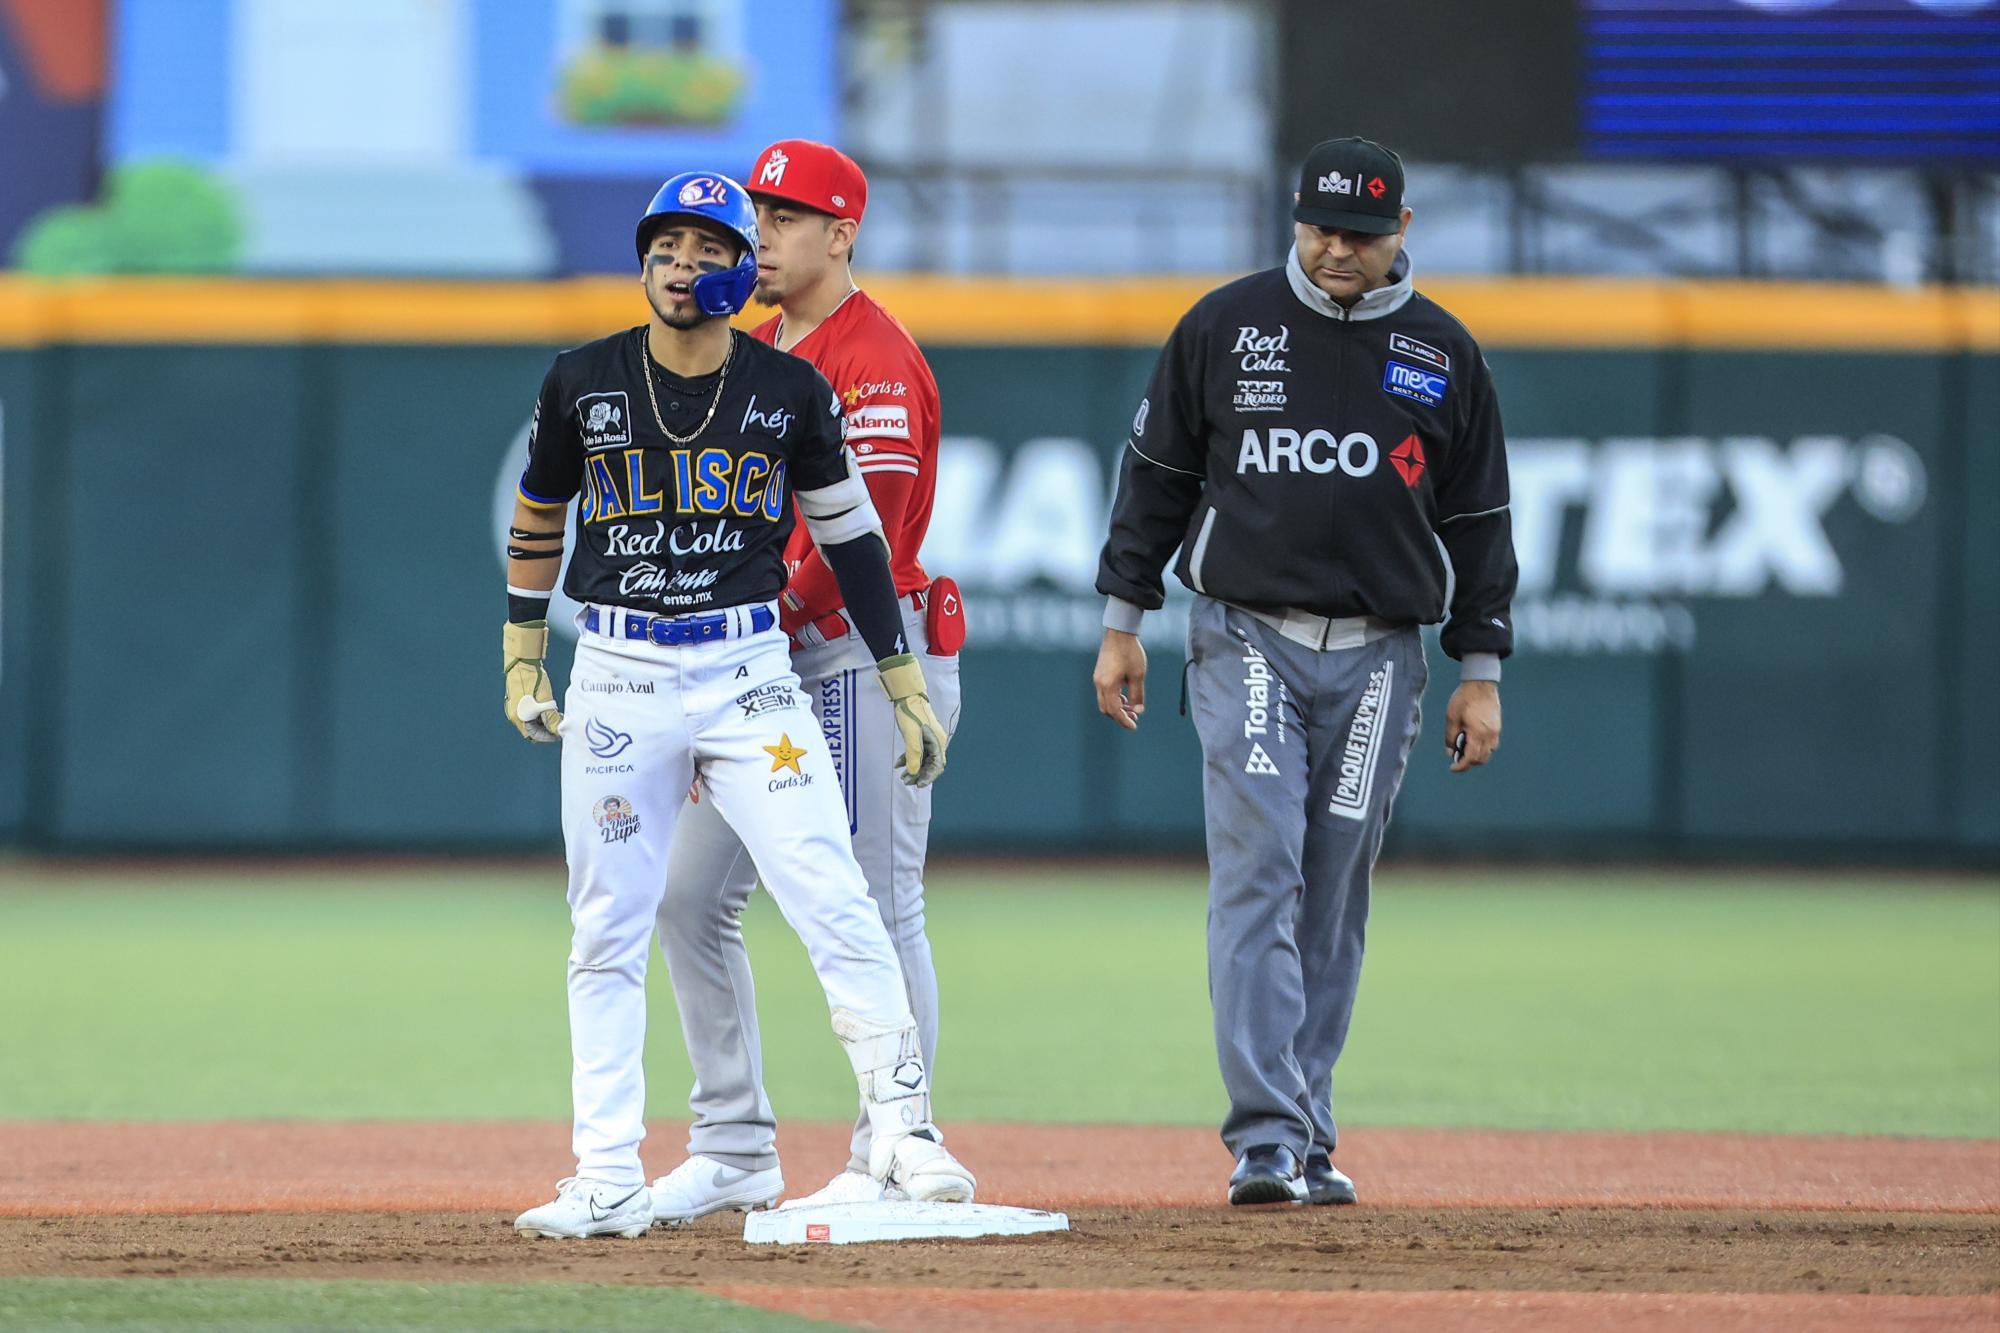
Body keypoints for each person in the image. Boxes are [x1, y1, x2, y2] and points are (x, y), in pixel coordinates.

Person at [501, 169, 974, 1240]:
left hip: (751, 671)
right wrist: (520, 651)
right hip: (619, 671)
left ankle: (902, 1131)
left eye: (712, 246)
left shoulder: (793, 384)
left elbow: (856, 536)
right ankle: (612, 1169)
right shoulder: (584, 377)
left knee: (837, 894)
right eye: (666, 245)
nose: (688, 263)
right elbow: (539, 508)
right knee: (615, 921)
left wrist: (899, 677)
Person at [1091, 137, 1517, 1208]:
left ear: (1400, 236)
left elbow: (1478, 521)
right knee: (1258, 868)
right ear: (1294, 218)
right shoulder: (1223, 327)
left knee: (1329, 891)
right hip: (1244, 636)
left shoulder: (1443, 353)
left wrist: (1479, 667)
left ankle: (1307, 1126)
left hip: (1381, 651)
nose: (1335, 248)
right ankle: (1267, 1139)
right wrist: (1121, 619)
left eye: (1361, 234)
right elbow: (1154, 480)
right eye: (1319, 226)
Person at [644, 140, 964, 1223]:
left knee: (876, 903)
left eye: (785, 217)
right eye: (757, 215)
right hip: (763, 664)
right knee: (687, 898)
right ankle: (733, 1144)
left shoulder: (871, 358)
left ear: (841, 233)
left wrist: (737, 632)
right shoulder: (762, 345)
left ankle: (897, 1143)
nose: (762, 235)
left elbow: (849, 542)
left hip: (864, 657)